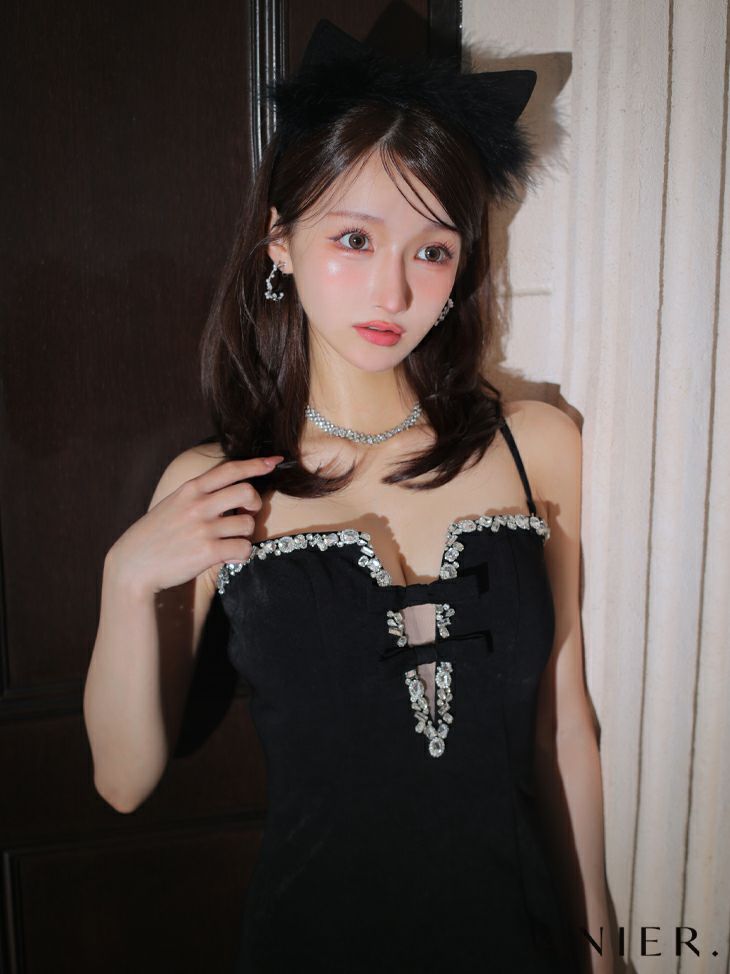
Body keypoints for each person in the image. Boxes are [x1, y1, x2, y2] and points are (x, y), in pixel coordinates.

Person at [83, 19, 614, 974]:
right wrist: (126, 580)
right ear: (279, 241)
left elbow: (563, 729)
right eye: (355, 238)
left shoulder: (535, 445)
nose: (393, 291)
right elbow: (122, 783)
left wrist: (601, 947)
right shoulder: (215, 488)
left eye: (432, 250)